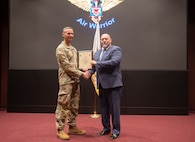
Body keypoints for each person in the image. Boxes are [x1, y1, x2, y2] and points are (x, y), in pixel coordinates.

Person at [55, 26, 90, 140]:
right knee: (63, 105)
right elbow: (67, 67)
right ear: (63, 34)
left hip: (75, 81)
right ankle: (60, 130)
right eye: (68, 33)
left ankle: (72, 127)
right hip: (66, 82)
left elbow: (77, 64)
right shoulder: (61, 49)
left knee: (74, 105)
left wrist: (85, 68)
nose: (70, 35)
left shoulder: (73, 49)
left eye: (72, 33)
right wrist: (81, 74)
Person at [89, 33, 123, 140]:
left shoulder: (116, 49)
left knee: (114, 110)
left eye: (106, 39)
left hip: (113, 85)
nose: (104, 40)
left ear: (110, 40)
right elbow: (94, 68)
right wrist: (88, 73)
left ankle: (116, 131)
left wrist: (97, 63)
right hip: (101, 85)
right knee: (104, 109)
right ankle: (106, 128)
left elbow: (114, 62)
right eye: (102, 39)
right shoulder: (97, 53)